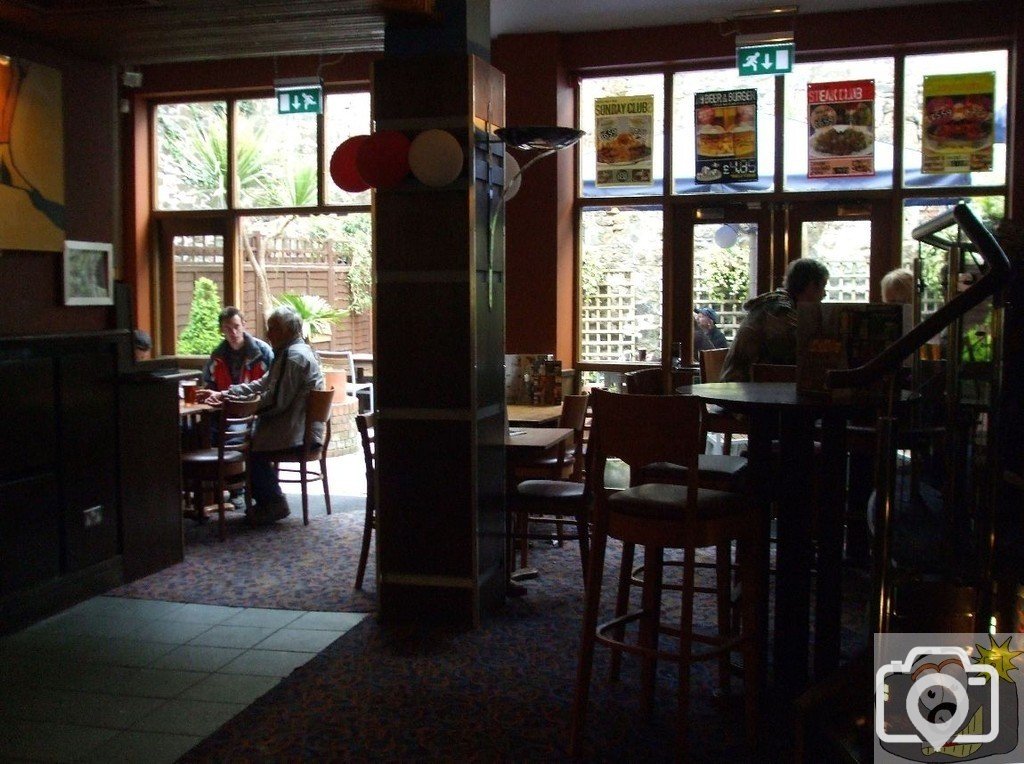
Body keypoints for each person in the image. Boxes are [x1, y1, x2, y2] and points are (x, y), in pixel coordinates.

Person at [200, 306, 325, 525]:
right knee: (245, 440)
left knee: (246, 446)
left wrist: (241, 408)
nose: (268, 334)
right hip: (298, 429)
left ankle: (273, 502)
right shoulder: (293, 351)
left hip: (296, 433)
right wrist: (226, 394)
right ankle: (266, 501)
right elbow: (263, 383)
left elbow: (276, 402)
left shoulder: (293, 356)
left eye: (273, 328)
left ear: (287, 330)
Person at [720, 258, 830, 382]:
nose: (824, 294)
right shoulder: (779, 310)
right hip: (744, 390)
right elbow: (795, 350)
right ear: (810, 285)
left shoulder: (777, 304)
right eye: (823, 287)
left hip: (746, 386)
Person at [202, 307, 274, 391]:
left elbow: (273, 382)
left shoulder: (263, 352)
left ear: (243, 325)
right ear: (221, 330)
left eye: (236, 326)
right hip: (225, 402)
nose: (233, 332)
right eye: (227, 328)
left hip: (256, 403)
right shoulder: (217, 356)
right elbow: (208, 384)